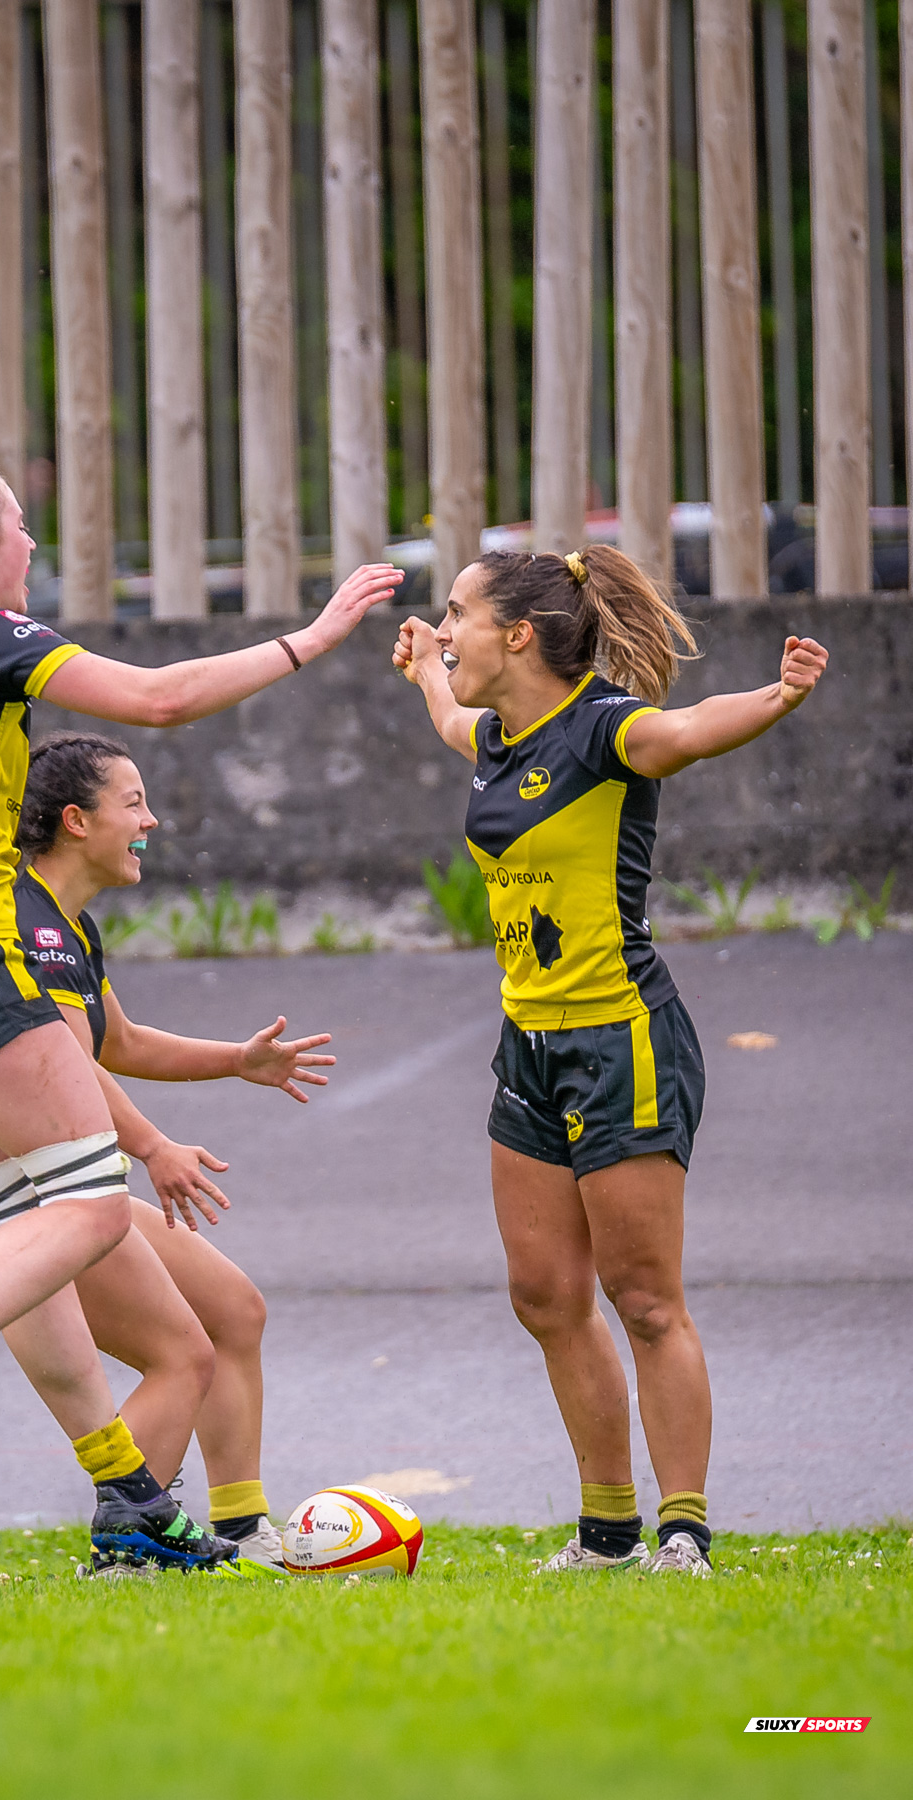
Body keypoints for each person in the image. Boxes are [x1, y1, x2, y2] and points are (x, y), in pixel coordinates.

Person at [0, 408, 395, 1573]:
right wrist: (311, 638)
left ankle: (130, 1500)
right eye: (21, 527)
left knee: (17, 1220)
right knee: (83, 1208)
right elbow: (162, 697)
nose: (31, 544)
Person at [393, 546, 827, 1577]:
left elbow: (684, 732)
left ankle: (683, 1533)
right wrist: (422, 671)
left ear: (517, 636)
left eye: (454, 614)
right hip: (528, 1048)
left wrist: (776, 698)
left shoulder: (604, 729)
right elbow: (451, 724)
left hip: (620, 1040)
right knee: (544, 1296)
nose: (443, 628)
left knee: (643, 1300)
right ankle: (605, 1537)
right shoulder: (494, 735)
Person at [0, 732, 333, 1571]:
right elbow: (60, 1061)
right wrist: (153, 1146)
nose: (151, 821)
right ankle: (126, 1551)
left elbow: (114, 1041)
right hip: (28, 1201)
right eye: (134, 803)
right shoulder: (21, 922)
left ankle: (241, 1529)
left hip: (74, 1185)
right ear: (76, 821)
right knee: (179, 1356)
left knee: (233, 1313)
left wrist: (238, 1060)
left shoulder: (68, 927)